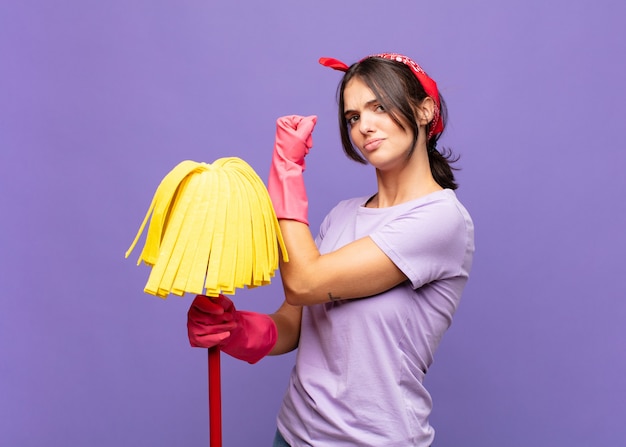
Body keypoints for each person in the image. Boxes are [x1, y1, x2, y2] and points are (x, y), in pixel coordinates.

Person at [187, 53, 475, 446]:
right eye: (353, 116)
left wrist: (286, 171)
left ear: (425, 111)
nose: (365, 126)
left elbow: (304, 283)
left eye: (379, 106)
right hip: (291, 435)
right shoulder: (341, 216)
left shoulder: (440, 220)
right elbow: (295, 324)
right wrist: (235, 330)